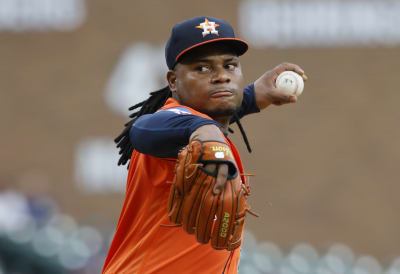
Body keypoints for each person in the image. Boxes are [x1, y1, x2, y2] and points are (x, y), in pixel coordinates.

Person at [102, 16, 307, 274]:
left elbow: (207, 116)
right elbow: (144, 129)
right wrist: (205, 132)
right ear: (173, 82)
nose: (221, 77)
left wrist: (253, 96)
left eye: (230, 66)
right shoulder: (174, 128)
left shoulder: (204, 127)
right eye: (202, 68)